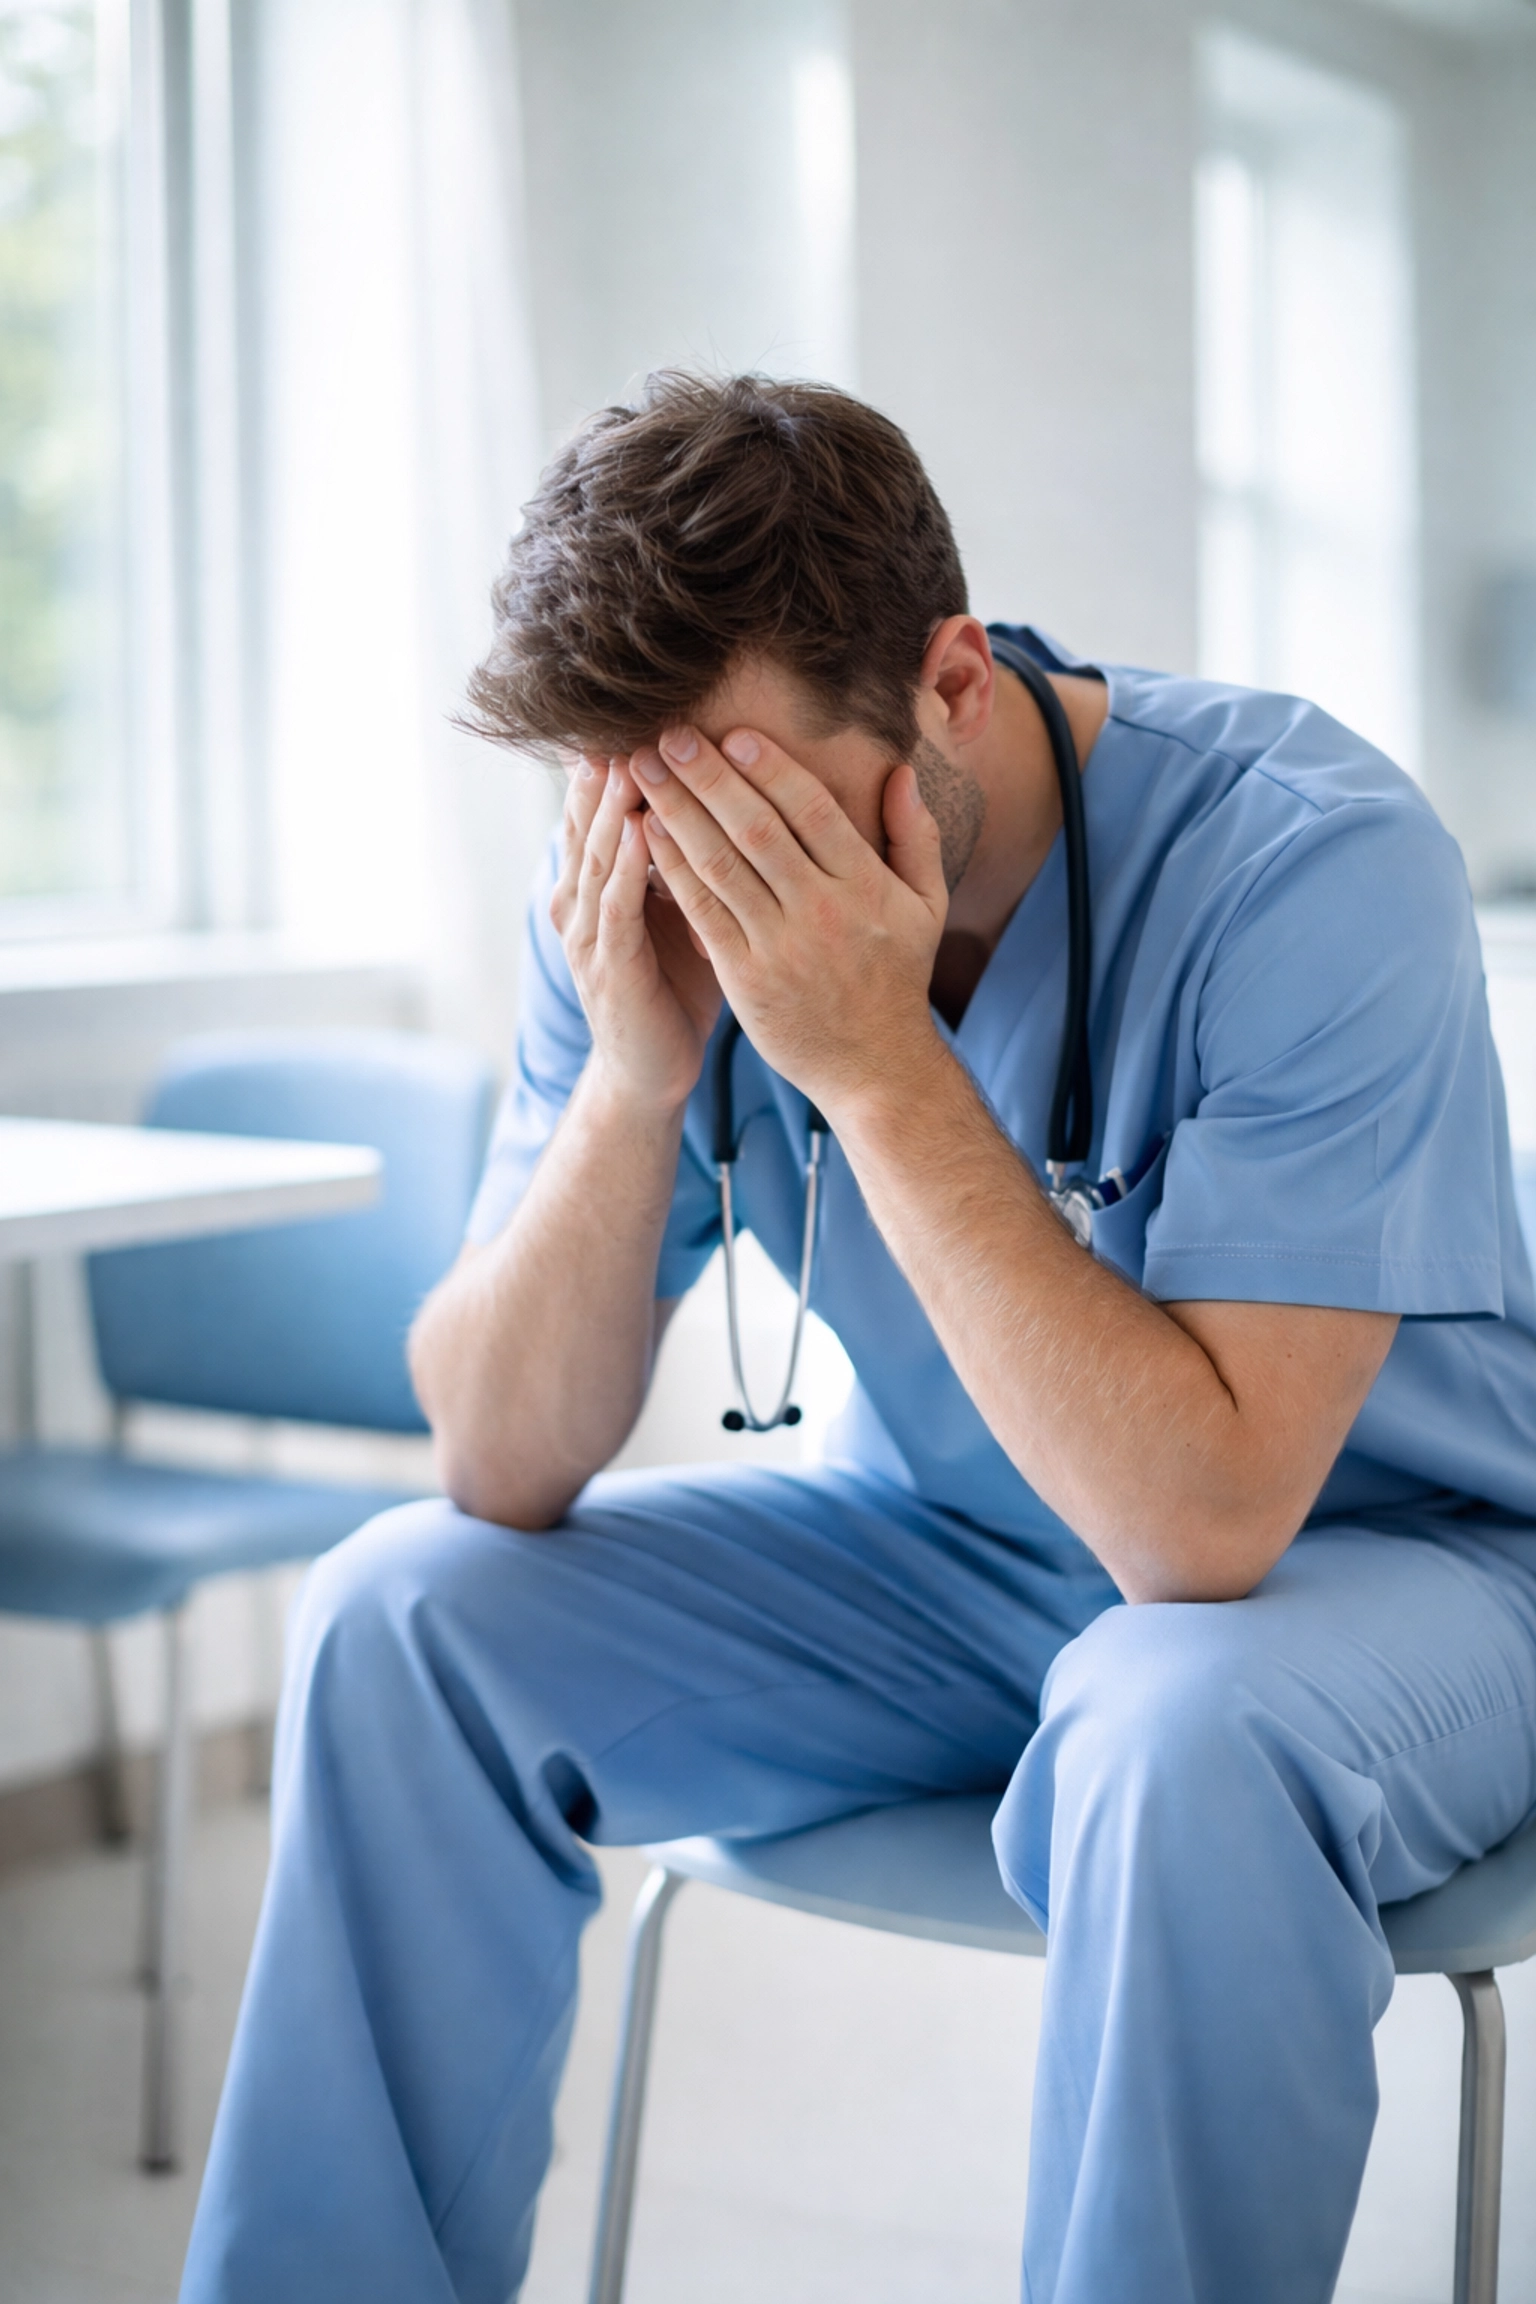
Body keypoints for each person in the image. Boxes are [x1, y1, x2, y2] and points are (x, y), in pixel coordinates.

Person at [180, 374, 1536, 2304]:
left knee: (1172, 1719)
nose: (711, 872)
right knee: (403, 1609)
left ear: (953, 684)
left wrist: (879, 1066)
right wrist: (633, 1087)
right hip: (955, 1560)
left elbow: (1205, 1533)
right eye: (652, 804)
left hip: (1388, 1574)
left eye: (757, 805)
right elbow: (496, 1454)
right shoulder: (642, 857)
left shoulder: (1308, 862)